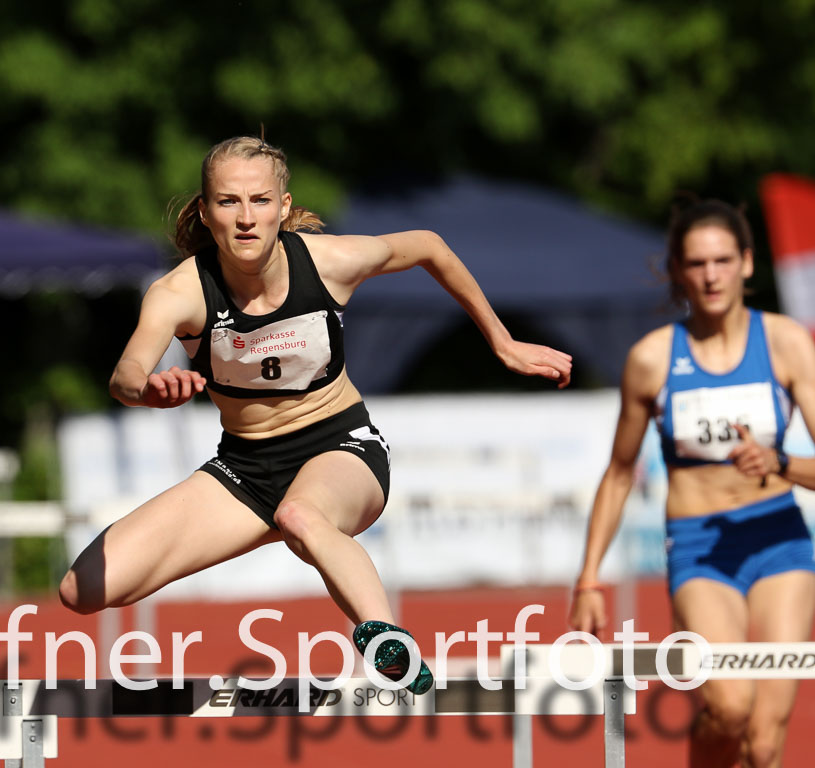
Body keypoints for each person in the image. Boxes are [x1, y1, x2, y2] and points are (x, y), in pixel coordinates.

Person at [59, 136, 572, 692]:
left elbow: (428, 245)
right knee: (81, 591)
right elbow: (125, 372)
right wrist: (147, 390)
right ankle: (286, 527)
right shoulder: (180, 292)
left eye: (260, 201)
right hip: (245, 472)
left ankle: (388, 641)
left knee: (302, 515)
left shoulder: (330, 263)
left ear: (283, 206)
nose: (247, 219)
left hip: (341, 448)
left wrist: (502, 341)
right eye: (229, 202)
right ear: (206, 214)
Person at [569, 199, 815, 768]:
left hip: (780, 541)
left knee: (763, 741)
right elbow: (620, 472)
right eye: (698, 263)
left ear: (748, 264)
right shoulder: (652, 360)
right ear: (678, 270)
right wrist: (587, 578)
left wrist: (778, 461)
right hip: (701, 548)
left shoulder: (785, 343)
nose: (711, 276)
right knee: (729, 708)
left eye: (723, 260)